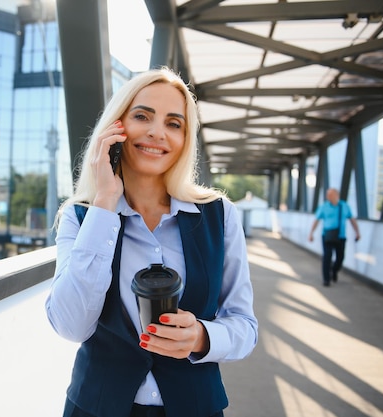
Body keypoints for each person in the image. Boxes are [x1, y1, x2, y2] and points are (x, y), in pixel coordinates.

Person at [45, 67, 258, 417]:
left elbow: (245, 327)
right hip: (96, 407)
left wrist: (202, 337)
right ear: (116, 126)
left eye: (174, 123)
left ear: (185, 138)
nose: (157, 132)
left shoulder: (219, 216)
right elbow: (71, 326)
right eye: (142, 116)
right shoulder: (81, 217)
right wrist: (104, 204)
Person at [309, 188, 361, 286]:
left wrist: (357, 232)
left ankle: (334, 270)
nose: (328, 196)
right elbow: (316, 221)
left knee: (340, 257)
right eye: (327, 194)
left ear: (336, 195)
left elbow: (352, 220)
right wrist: (311, 233)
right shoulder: (324, 206)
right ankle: (326, 279)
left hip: (340, 236)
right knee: (327, 257)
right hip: (327, 236)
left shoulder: (344, 206)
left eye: (330, 194)